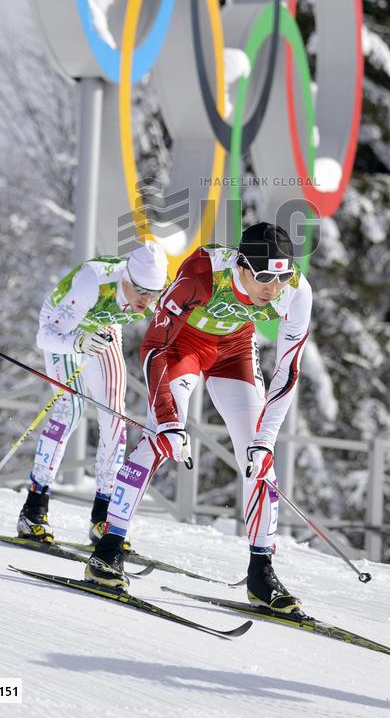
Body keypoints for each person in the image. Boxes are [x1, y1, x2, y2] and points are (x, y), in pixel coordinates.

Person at [86, 222, 312, 613]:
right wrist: (170, 420)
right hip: (181, 348)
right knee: (159, 438)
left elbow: (288, 372)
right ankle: (108, 548)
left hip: (235, 351)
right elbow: (154, 348)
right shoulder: (201, 275)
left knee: (258, 458)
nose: (274, 289)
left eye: (283, 276)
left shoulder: (296, 290)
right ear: (241, 266)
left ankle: (262, 571)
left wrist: (266, 440)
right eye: (263, 278)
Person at [17, 242, 168, 544]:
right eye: (140, 292)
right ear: (126, 277)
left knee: (115, 415)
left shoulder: (152, 294)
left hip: (103, 326)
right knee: (70, 409)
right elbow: (45, 336)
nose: (147, 300)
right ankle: (33, 508)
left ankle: (103, 516)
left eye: (154, 294)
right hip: (64, 330)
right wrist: (78, 344)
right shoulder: (93, 281)